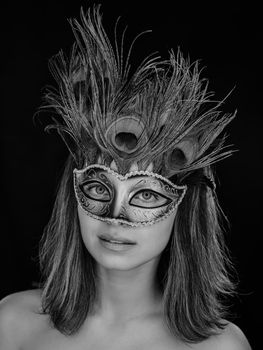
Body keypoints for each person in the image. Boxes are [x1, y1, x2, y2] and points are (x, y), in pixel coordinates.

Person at [0, 5, 252, 350]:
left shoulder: (220, 347)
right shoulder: (10, 323)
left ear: (183, 207)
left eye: (147, 195)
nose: (116, 218)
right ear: (73, 195)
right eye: (98, 188)